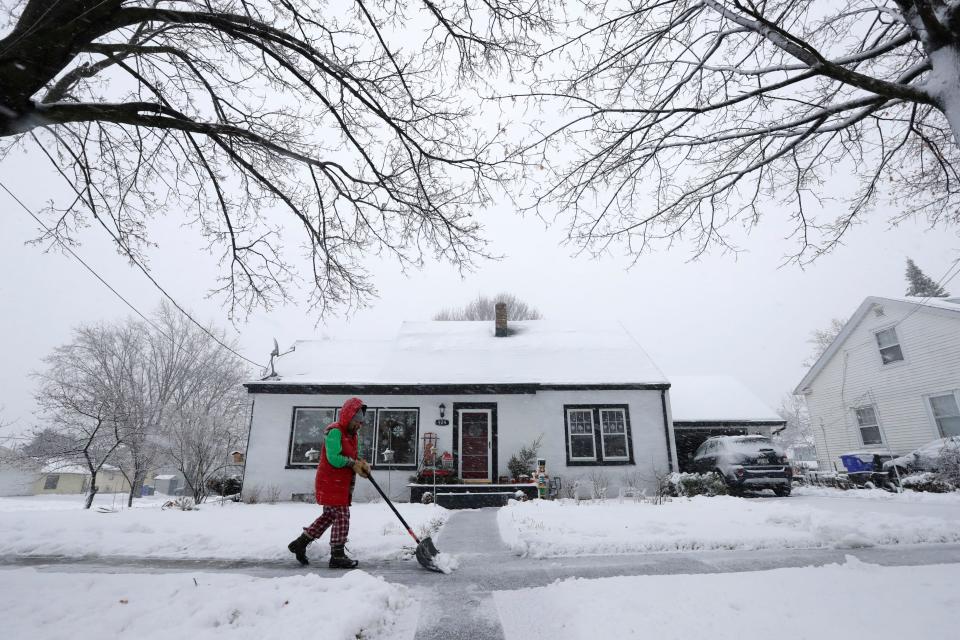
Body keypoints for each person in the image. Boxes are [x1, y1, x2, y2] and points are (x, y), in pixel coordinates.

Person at [288, 397, 371, 568]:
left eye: (361, 422)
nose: (359, 425)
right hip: (330, 481)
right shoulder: (335, 431)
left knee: (329, 516)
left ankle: (300, 543)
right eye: (356, 421)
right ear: (348, 417)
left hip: (341, 483)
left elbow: (356, 456)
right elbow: (333, 458)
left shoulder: (353, 436)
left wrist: (362, 464)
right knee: (342, 516)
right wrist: (352, 463)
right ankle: (337, 555)